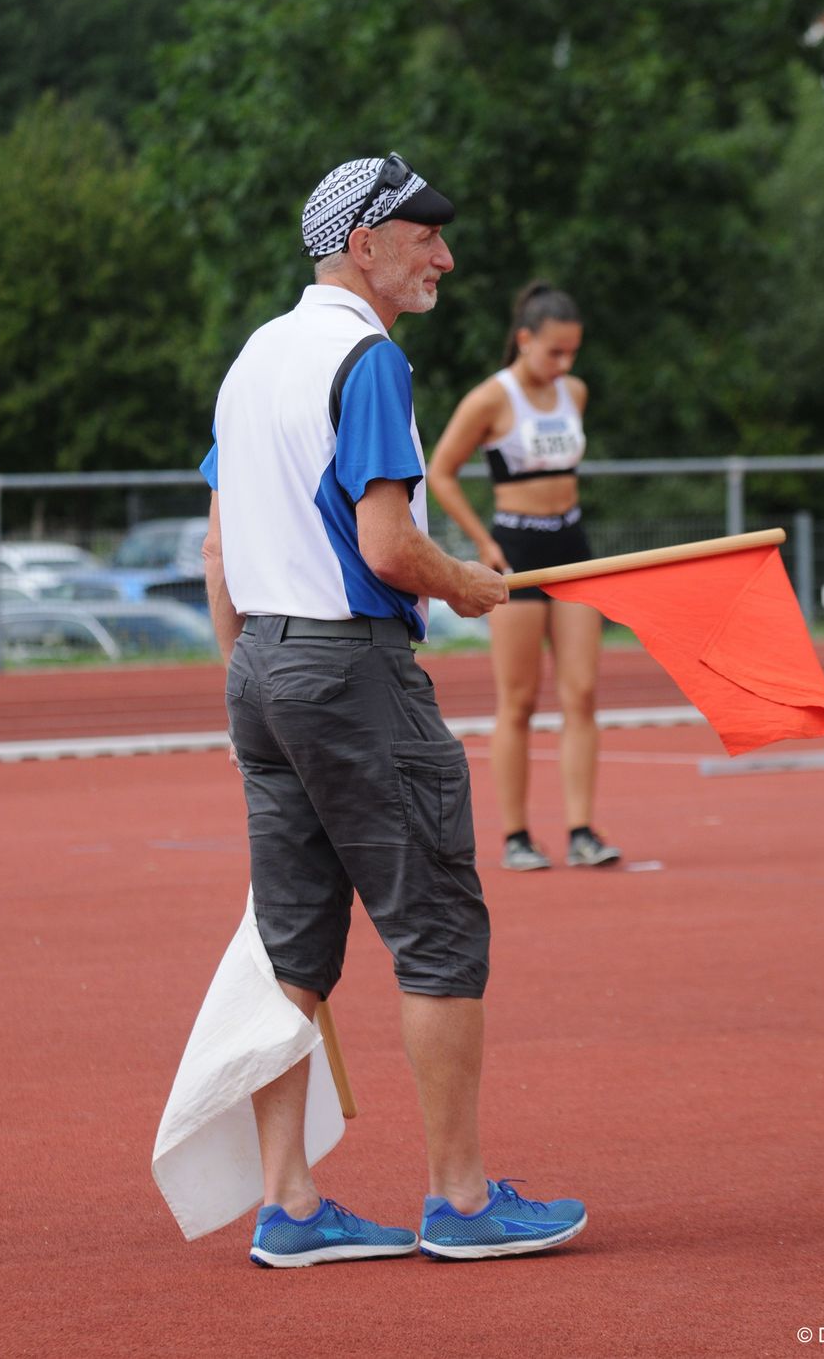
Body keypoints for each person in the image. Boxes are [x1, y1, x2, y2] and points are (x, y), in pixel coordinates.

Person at [198, 155, 587, 1267]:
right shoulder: (367, 358)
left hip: (263, 669)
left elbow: (221, 549)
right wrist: (462, 580)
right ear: (363, 243)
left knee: (291, 948)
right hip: (349, 671)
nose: (445, 257)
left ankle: (293, 1206)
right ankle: (461, 1203)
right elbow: (385, 548)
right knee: (438, 931)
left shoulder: (254, 357)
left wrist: (252, 689)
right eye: (425, 236)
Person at [428, 281, 622, 873]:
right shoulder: (492, 398)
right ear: (524, 340)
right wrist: (483, 543)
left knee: (582, 692)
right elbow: (441, 471)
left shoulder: (576, 393)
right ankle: (516, 834)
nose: (564, 365)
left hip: (572, 542)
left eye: (572, 354)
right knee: (518, 698)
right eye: (554, 352)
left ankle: (582, 829)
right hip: (515, 547)